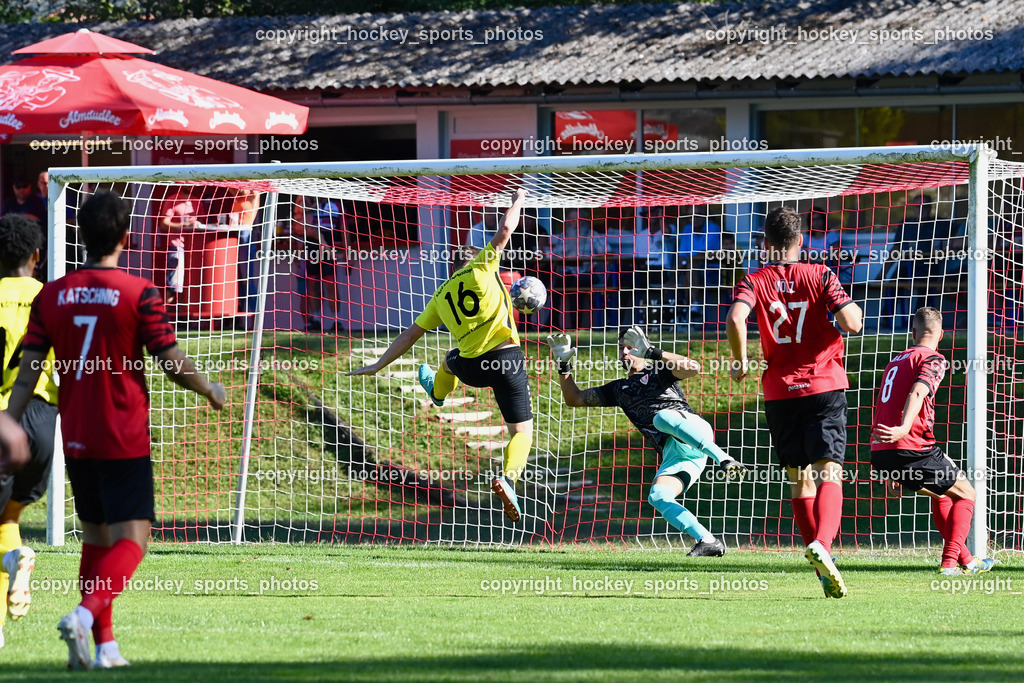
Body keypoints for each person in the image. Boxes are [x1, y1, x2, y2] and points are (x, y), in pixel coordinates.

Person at [5, 191, 226, 670]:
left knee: (95, 539)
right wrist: (209, 388)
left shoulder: (51, 295)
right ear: (126, 237)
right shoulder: (139, 293)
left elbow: (27, 370)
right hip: (122, 433)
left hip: (78, 434)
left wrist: (8, 419)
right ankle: (85, 616)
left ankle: (106, 650)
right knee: (133, 539)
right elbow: (170, 362)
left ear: (80, 234)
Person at [348, 189, 532, 522]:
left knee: (450, 358)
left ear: (451, 268)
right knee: (521, 433)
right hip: (507, 360)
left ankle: (438, 390)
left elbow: (409, 335)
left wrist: (378, 365)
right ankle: (509, 478)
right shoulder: (482, 269)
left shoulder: (439, 296)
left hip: (471, 369)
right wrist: (518, 199)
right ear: (475, 259)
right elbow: (505, 231)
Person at [725, 206, 863, 599]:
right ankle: (824, 544)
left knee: (798, 478)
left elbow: (736, 319)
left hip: (780, 392)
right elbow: (852, 323)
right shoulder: (821, 274)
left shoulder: (754, 279)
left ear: (765, 244)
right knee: (829, 472)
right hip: (823, 385)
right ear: (801, 241)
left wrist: (739, 362)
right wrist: (838, 318)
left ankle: (821, 573)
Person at [548, 326, 749, 555]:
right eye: (621, 349)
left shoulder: (659, 371)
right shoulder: (619, 389)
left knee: (661, 417)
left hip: (694, 431)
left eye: (630, 348)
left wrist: (652, 351)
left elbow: (694, 367)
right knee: (658, 496)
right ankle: (708, 540)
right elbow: (575, 399)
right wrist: (563, 364)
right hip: (677, 453)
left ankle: (726, 459)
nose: (625, 353)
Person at [870, 307, 996, 576]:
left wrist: (891, 463)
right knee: (967, 494)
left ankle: (969, 562)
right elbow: (918, 392)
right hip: (912, 446)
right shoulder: (934, 358)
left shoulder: (894, 361)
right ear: (941, 334)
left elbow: (884, 405)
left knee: (944, 493)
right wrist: (904, 429)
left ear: (913, 332)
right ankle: (950, 564)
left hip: (882, 451)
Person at [0, 214, 59, 649]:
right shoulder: (54, 298)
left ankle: (13, 559)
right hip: (43, 422)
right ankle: (15, 559)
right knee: (8, 517)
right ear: (37, 256)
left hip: (3, 419)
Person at [158, 186, 201, 313]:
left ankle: (183, 318)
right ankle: (165, 317)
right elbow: (163, 224)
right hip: (176, 246)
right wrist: (184, 225)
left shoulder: (196, 201)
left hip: (193, 247)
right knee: (173, 284)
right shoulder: (172, 200)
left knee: (188, 284)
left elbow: (202, 222)